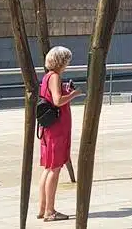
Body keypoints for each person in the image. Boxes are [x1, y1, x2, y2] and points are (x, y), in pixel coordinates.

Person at [38, 46, 82, 221]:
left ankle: (43, 208)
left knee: (48, 168)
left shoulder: (48, 76)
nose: (68, 64)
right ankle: (50, 211)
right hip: (57, 129)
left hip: (49, 128)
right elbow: (57, 101)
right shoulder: (55, 76)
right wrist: (73, 94)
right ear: (61, 61)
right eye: (67, 61)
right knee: (54, 169)